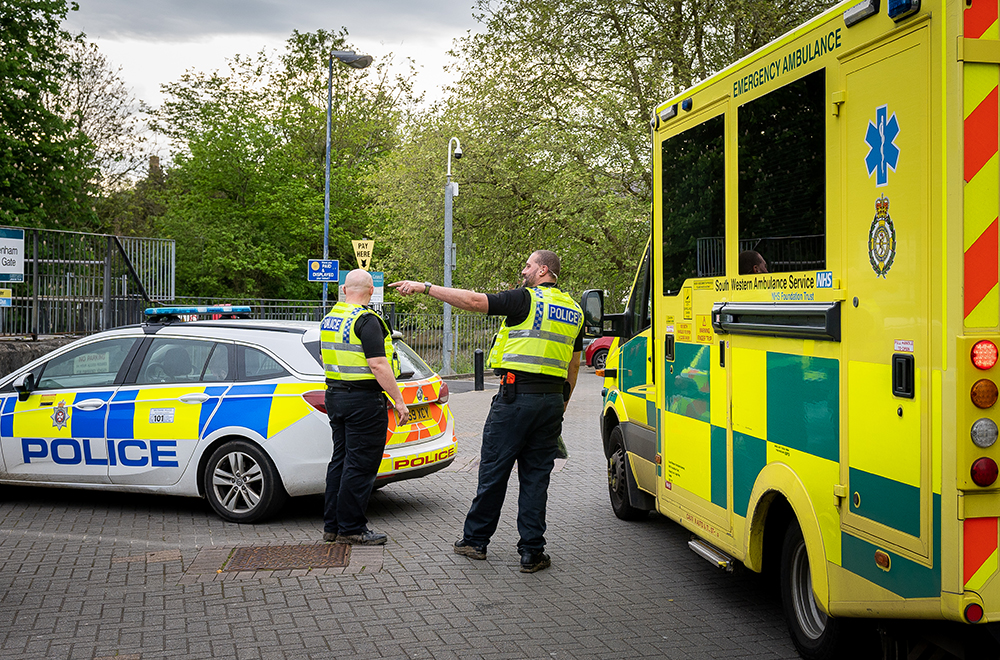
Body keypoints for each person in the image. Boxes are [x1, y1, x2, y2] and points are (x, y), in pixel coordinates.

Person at [390, 250, 584, 573]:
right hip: (550, 402)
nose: (524, 270)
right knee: (536, 478)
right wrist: (560, 406)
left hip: (514, 399)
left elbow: (474, 301)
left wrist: (426, 287)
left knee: (494, 470)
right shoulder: (575, 311)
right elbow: (574, 365)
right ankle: (532, 553)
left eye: (528, 265)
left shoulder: (526, 300)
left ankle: (475, 541)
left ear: (543, 270)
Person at [321, 269, 409, 545]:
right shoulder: (367, 321)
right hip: (363, 401)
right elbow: (378, 365)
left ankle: (332, 526)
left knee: (341, 461)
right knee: (360, 466)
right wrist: (399, 400)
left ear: (344, 290)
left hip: (336, 396)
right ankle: (352, 528)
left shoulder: (330, 319)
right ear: (371, 291)